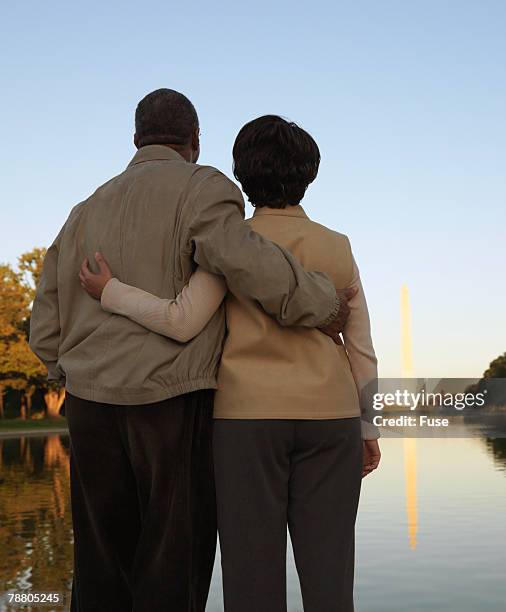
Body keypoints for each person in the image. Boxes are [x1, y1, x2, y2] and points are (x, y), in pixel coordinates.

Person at [28, 92, 354, 612]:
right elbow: (246, 261)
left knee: (99, 564)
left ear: (136, 138)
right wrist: (321, 303)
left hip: (90, 405)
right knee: (171, 564)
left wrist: (66, 370)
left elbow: (44, 320)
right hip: (172, 402)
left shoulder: (84, 209)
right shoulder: (203, 188)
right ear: (195, 141)